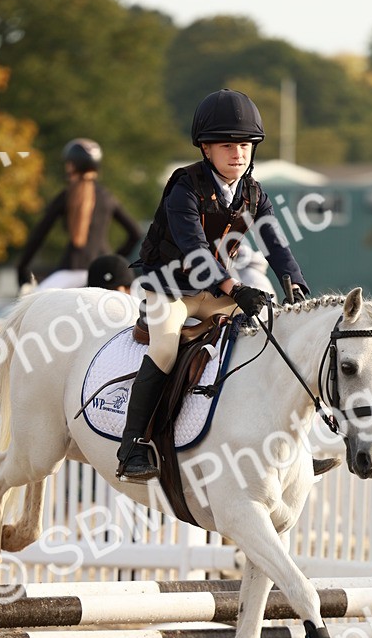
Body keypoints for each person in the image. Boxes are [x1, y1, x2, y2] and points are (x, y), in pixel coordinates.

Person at [116, 88, 310, 482]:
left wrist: (296, 285)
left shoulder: (254, 194)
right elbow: (194, 249)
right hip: (168, 289)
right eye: (227, 145)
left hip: (215, 293)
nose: (238, 154)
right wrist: (235, 288)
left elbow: (277, 246)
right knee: (166, 349)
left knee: (269, 337)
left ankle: (293, 447)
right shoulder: (183, 186)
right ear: (206, 149)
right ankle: (132, 446)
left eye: (245, 145)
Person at [16, 139, 142, 291]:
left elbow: (39, 234)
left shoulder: (66, 196)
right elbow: (135, 233)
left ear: (72, 165)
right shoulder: (107, 197)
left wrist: (22, 267)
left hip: (72, 269)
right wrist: (112, 259)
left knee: (33, 306)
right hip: (104, 272)